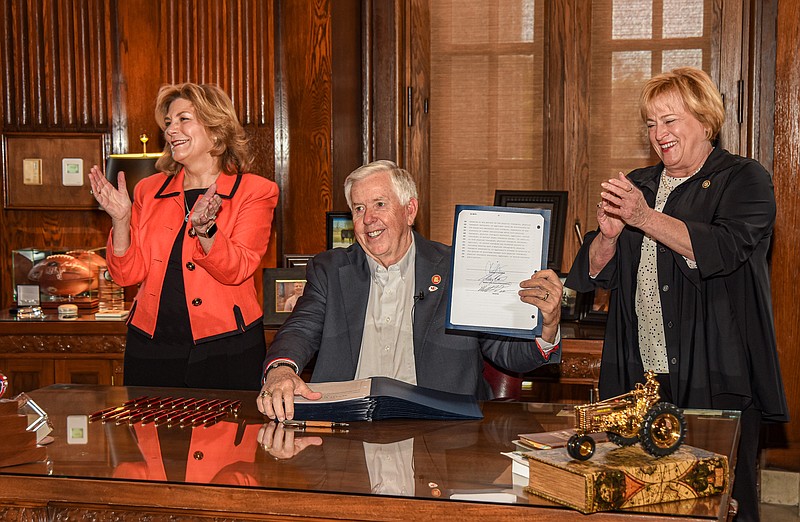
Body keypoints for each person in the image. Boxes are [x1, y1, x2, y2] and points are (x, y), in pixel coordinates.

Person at [565, 67, 788, 522]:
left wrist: (643, 219)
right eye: (650, 124)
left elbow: (723, 250)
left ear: (705, 122)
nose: (658, 134)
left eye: (669, 121)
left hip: (713, 372)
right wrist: (607, 236)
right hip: (637, 374)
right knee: (637, 498)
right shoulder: (640, 183)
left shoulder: (745, 179)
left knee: (717, 499)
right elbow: (592, 274)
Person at [257, 160, 563, 421]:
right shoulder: (330, 269)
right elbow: (300, 328)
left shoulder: (456, 268)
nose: (368, 220)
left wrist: (547, 329)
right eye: (359, 208)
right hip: (347, 424)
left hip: (440, 428)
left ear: (409, 210)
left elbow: (506, 352)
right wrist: (281, 369)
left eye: (380, 204)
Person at [88, 82, 279, 390]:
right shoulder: (149, 191)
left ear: (215, 129)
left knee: (227, 437)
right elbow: (126, 275)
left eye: (183, 119)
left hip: (225, 347)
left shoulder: (255, 191)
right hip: (151, 347)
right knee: (147, 436)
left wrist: (206, 231)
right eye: (168, 123)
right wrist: (121, 220)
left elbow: (239, 268)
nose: (171, 130)